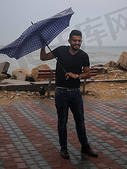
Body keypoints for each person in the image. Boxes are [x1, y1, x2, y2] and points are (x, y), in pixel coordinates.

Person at [40, 29, 98, 159]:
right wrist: (43, 45)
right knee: (62, 121)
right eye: (74, 40)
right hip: (61, 93)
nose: (77, 43)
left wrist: (76, 75)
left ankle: (85, 146)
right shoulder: (61, 50)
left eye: (79, 41)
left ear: (81, 41)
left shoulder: (84, 55)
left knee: (80, 121)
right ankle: (64, 148)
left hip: (76, 94)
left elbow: (87, 73)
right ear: (69, 41)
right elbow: (43, 57)